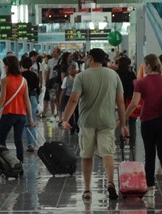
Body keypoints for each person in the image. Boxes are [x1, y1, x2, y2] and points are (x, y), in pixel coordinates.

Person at [62, 48, 129, 200]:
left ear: (91, 58)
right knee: (107, 153)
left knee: (87, 155)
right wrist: (123, 124)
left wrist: (65, 119)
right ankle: (111, 182)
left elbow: (73, 100)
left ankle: (87, 190)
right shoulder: (113, 75)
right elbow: (120, 101)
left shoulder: (82, 76)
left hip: (87, 122)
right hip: (107, 120)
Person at [125, 54, 162, 198]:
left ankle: (150, 185)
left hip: (148, 122)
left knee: (150, 154)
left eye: (144, 64)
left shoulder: (141, 82)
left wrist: (124, 117)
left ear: (148, 65)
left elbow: (134, 103)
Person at [0, 55, 35, 163]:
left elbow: (2, 100)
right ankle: (20, 164)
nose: (4, 68)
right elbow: (27, 101)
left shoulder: (5, 80)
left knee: (1, 140)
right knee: (18, 141)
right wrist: (31, 118)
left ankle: (6, 163)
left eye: (5, 66)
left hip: (8, 114)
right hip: (21, 115)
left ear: (8, 66)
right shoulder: (24, 80)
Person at [116, 56, 138, 152]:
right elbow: (136, 86)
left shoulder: (115, 74)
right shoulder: (131, 74)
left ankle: (120, 142)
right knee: (132, 123)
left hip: (118, 101)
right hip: (130, 101)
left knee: (120, 122)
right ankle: (132, 143)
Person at [20, 57, 39, 152]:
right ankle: (31, 143)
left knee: (22, 121)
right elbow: (37, 88)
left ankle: (22, 141)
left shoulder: (20, 76)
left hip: (21, 99)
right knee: (32, 120)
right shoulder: (34, 75)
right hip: (32, 97)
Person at [59, 64, 79, 135]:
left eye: (73, 69)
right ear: (68, 70)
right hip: (68, 97)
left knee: (77, 113)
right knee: (70, 113)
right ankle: (72, 128)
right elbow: (63, 89)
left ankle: (78, 128)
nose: (71, 70)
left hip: (77, 97)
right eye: (70, 69)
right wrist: (61, 99)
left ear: (75, 70)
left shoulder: (78, 78)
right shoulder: (66, 79)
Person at [45, 47, 62, 119]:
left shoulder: (61, 61)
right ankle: (52, 113)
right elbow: (48, 71)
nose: (53, 53)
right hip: (51, 81)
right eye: (53, 51)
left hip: (58, 82)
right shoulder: (50, 61)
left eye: (54, 51)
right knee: (52, 98)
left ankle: (58, 114)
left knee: (58, 99)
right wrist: (47, 80)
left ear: (58, 53)